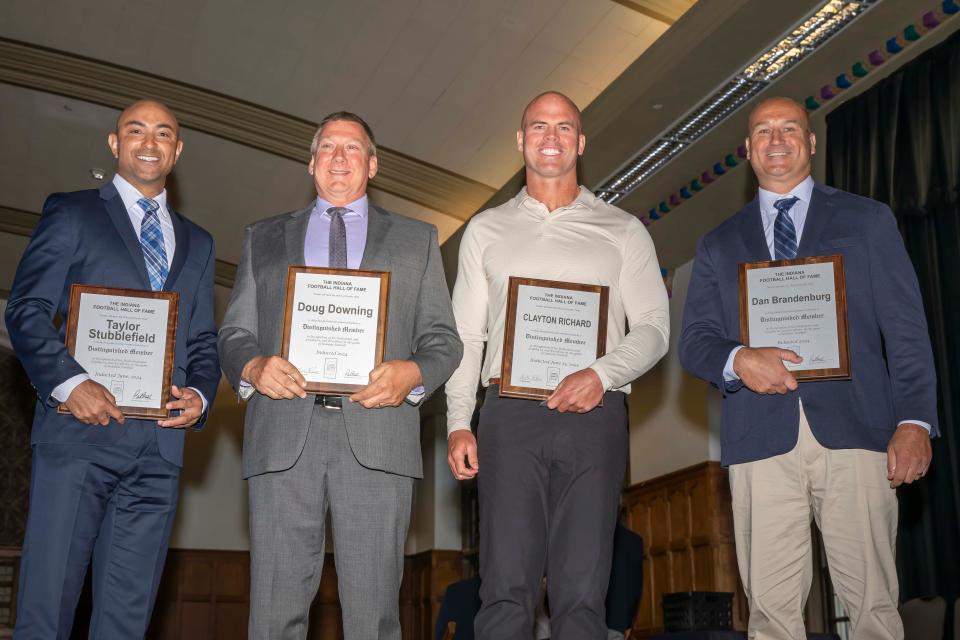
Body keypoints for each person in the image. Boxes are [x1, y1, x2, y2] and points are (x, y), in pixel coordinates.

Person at [679, 96, 938, 639]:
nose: (777, 140)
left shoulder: (867, 220)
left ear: (811, 142)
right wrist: (739, 358)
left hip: (859, 433)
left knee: (872, 608)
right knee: (771, 617)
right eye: (763, 131)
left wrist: (914, 421)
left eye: (790, 128)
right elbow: (696, 343)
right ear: (747, 150)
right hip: (760, 440)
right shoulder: (717, 244)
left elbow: (907, 330)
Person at [217, 111, 462, 640]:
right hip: (283, 436)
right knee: (272, 616)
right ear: (311, 164)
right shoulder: (263, 237)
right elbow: (234, 334)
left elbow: (444, 340)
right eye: (328, 147)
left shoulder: (417, 240)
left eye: (352, 148)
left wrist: (413, 372)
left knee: (374, 617)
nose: (339, 157)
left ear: (372, 165)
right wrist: (254, 365)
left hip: (378, 435)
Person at [445, 91, 669, 640]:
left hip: (596, 417)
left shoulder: (622, 230)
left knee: (583, 595)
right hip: (508, 417)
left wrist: (602, 374)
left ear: (581, 142)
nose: (551, 137)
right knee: (504, 591)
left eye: (564, 127)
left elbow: (655, 329)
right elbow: (466, 335)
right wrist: (456, 421)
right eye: (539, 127)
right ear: (520, 141)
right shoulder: (484, 229)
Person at [6, 99, 220, 638]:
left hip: (158, 452)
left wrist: (199, 394)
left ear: (178, 149)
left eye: (164, 133)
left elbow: (203, 340)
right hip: (79, 436)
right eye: (136, 130)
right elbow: (26, 309)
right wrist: (70, 383)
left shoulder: (199, 241)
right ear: (114, 142)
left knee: (127, 620)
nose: (149, 142)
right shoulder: (73, 212)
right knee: (45, 611)